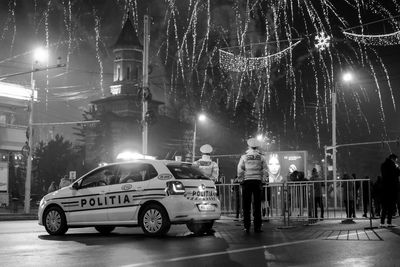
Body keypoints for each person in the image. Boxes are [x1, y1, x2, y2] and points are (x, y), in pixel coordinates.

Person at [237, 138, 268, 233]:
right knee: (257, 205)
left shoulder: (244, 157)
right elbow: (265, 170)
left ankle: (247, 227)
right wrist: (263, 179)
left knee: (246, 205)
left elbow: (240, 169)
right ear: (257, 146)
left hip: (247, 182)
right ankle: (257, 227)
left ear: (249, 146)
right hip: (257, 182)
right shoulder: (261, 157)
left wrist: (240, 179)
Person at [380, 154, 400, 227]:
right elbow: (398, 173)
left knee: (384, 207)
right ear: (393, 159)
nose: (396, 161)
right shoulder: (393, 166)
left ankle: (382, 223)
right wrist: (397, 167)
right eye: (396, 160)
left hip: (385, 189)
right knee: (391, 207)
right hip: (392, 188)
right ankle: (389, 222)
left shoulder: (383, 165)